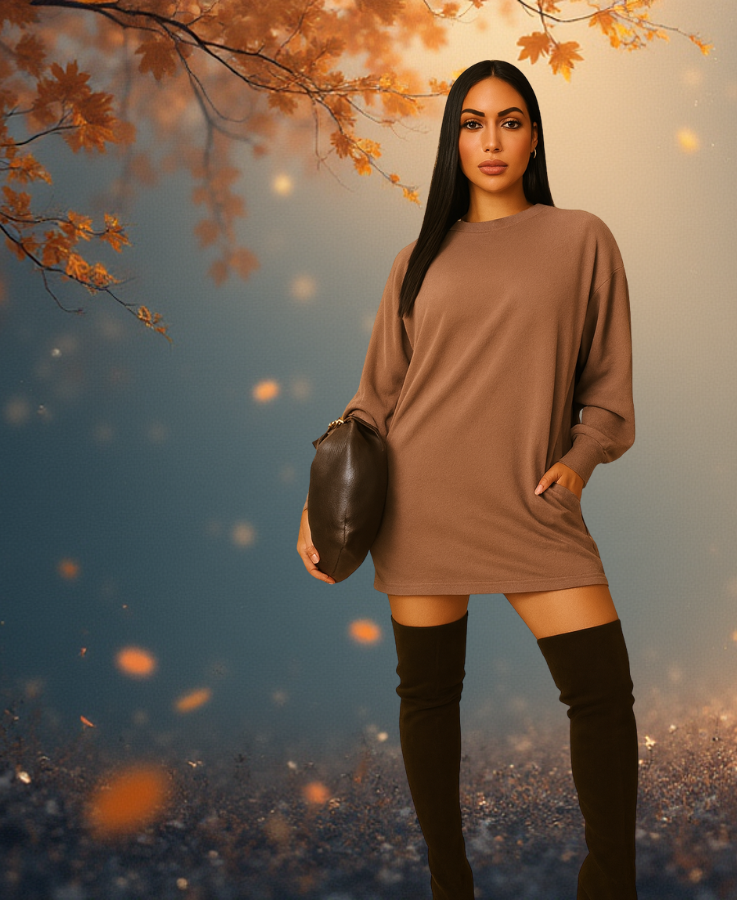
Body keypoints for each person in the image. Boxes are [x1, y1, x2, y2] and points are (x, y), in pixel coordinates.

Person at [294, 59, 639, 899]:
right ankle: (450, 886)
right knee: (428, 696)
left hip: (531, 501)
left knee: (601, 695)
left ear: (534, 137)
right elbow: (374, 397)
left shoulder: (582, 238)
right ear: (453, 141)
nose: (492, 140)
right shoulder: (416, 259)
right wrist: (317, 505)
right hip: (420, 506)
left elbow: (608, 391)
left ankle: (610, 886)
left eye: (510, 121)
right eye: (472, 124)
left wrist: (578, 463)